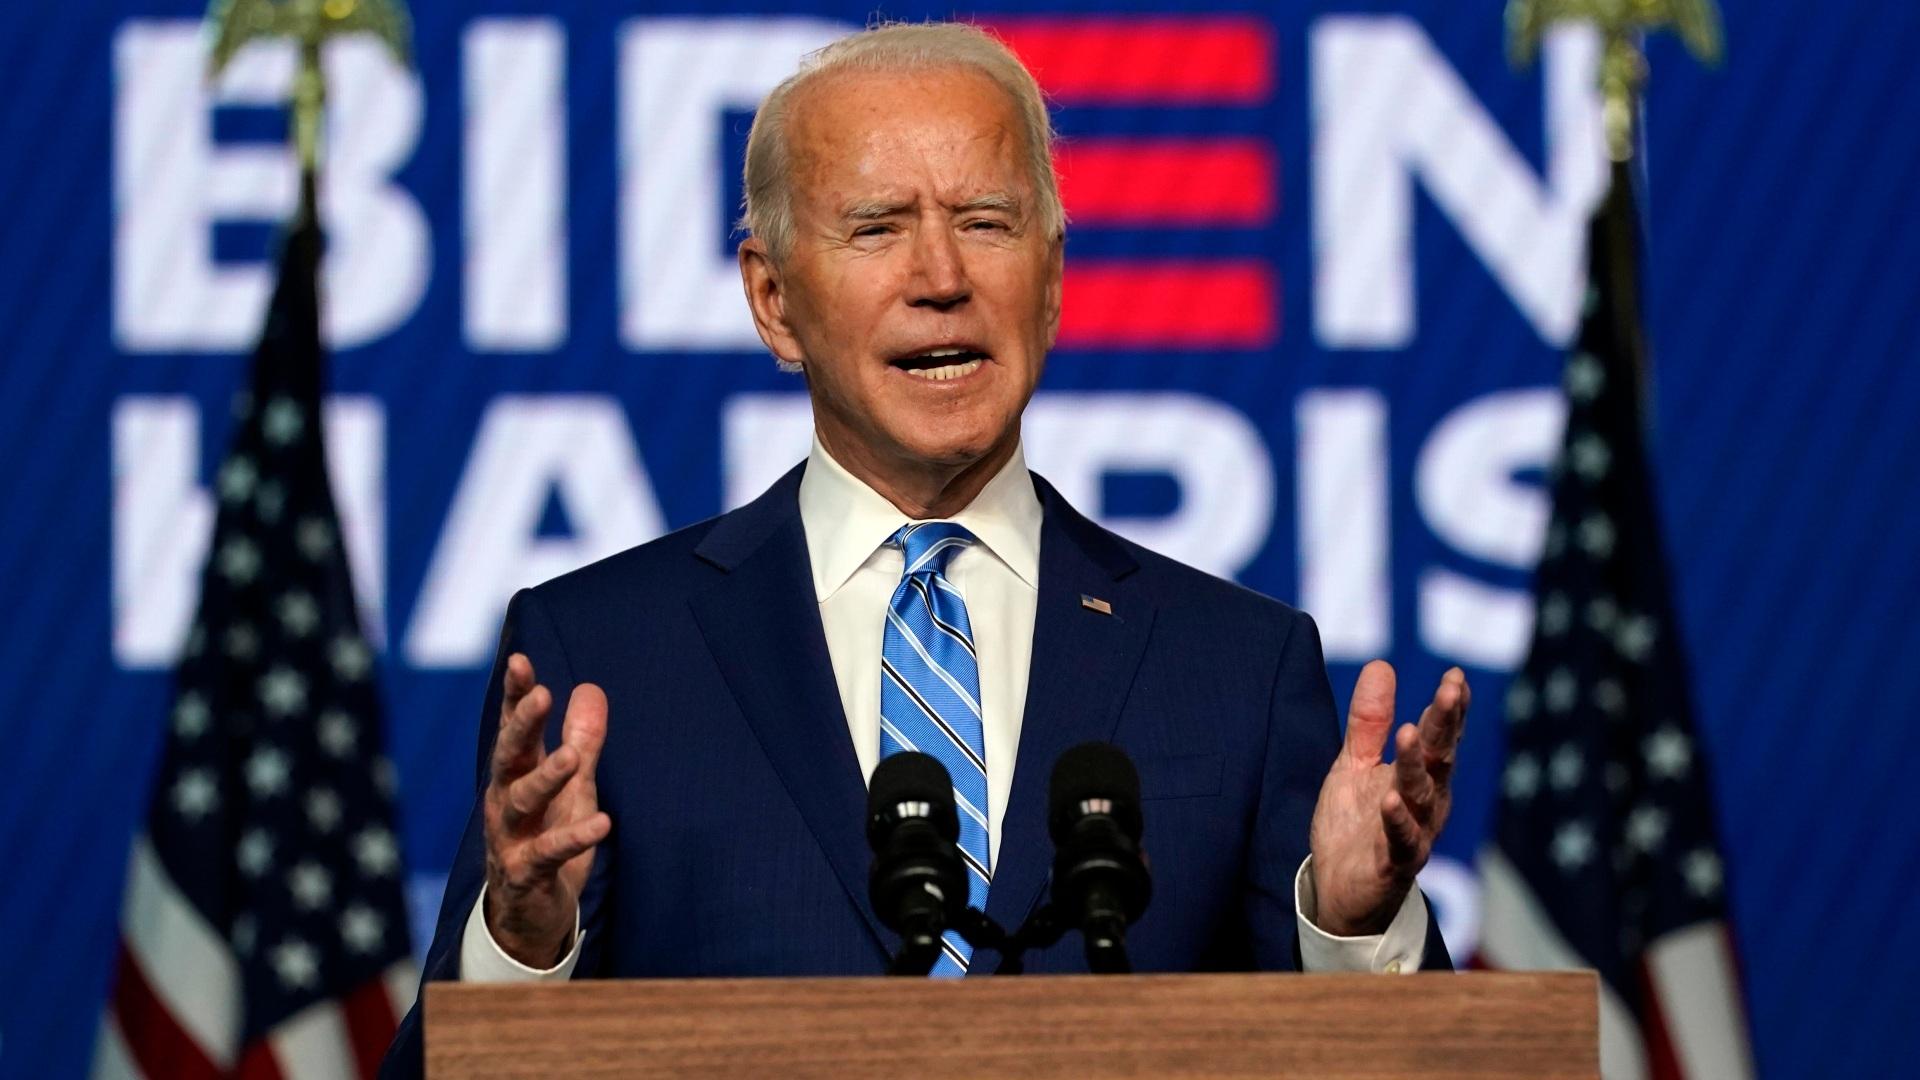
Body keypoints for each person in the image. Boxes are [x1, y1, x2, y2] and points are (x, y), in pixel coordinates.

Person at [382, 21, 1469, 1074]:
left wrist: (1350, 931)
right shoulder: (605, 653)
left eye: (988, 221)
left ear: (1049, 280)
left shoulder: (1235, 665)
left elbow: (1391, 1064)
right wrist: (524, 950)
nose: (940, 273)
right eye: (877, 227)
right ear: (774, 300)